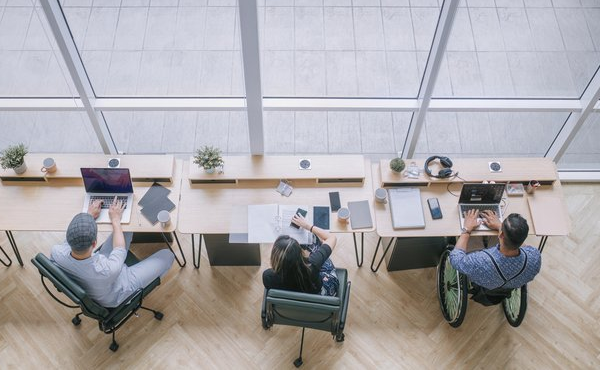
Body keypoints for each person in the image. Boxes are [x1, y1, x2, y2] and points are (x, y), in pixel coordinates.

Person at [50, 197, 174, 308]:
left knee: (126, 226)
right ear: (94, 244)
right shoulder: (106, 271)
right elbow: (119, 249)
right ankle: (143, 287)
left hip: (96, 278)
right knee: (167, 255)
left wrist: (88, 216)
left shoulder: (57, 252)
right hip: (119, 290)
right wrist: (115, 219)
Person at [449, 210, 541, 302]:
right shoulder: (535, 257)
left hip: (484, 278)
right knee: (491, 235)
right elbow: (525, 247)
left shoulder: (479, 261)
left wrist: (467, 230)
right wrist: (499, 226)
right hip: (508, 283)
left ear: (501, 234)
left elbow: (455, 259)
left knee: (473, 237)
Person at [262, 214, 339, 296]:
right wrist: (308, 226)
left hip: (296, 305)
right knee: (314, 241)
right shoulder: (313, 264)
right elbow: (332, 238)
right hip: (322, 295)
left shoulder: (268, 276)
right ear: (300, 254)